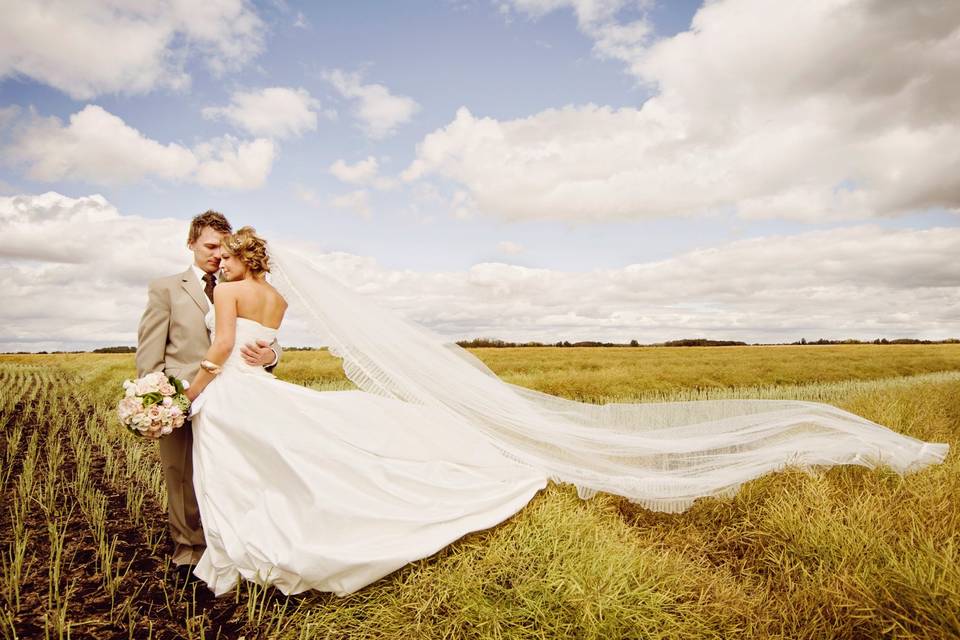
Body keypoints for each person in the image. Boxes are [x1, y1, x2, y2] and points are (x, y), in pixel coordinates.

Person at [184, 227, 948, 597]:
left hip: (232, 393)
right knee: (302, 451)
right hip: (259, 385)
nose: (216, 263)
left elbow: (226, 352)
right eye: (210, 254)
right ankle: (260, 541)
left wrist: (183, 395)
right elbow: (268, 345)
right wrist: (257, 362)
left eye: (222, 254)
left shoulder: (225, 291)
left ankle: (257, 547)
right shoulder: (278, 291)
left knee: (266, 461)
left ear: (237, 257)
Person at [135, 212, 282, 580]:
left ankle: (234, 544)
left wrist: (272, 355)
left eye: (223, 247)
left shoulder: (238, 285)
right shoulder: (167, 288)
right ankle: (189, 551)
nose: (218, 255)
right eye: (210, 246)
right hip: (181, 394)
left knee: (234, 473)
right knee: (180, 474)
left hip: (234, 395)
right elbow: (151, 346)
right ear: (191, 244)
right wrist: (154, 397)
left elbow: (262, 338)